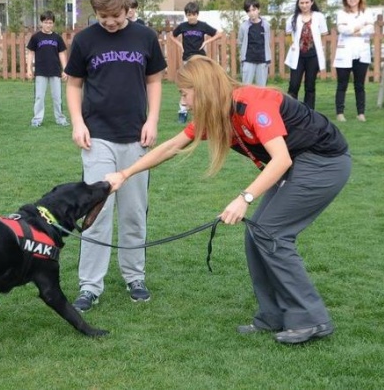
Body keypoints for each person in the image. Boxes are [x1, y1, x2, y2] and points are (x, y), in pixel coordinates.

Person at [106, 55, 351, 344]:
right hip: (297, 164)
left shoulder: (252, 103)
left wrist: (244, 198)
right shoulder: (217, 115)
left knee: (272, 233)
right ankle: (272, 316)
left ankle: (311, 319)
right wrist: (125, 173)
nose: (184, 102)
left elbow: (281, 159)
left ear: (202, 88)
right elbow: (171, 146)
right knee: (258, 233)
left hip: (324, 162)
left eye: (185, 93)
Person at [65, 0, 166, 312]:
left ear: (128, 7)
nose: (109, 22)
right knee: (99, 211)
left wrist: (152, 120)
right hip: (98, 139)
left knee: (135, 213)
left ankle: (134, 276)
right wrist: (78, 123)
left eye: (116, 16)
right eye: (102, 16)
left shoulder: (146, 37)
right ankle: (90, 285)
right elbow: (74, 85)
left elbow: (154, 81)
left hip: (136, 137)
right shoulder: (84, 41)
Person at [173, 1, 222, 123]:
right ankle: (183, 113)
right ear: (186, 15)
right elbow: (172, 36)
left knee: (201, 86)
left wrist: (206, 42)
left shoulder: (203, 26)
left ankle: (203, 112)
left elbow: (218, 34)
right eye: (189, 15)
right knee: (186, 86)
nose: (191, 17)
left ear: (197, 14)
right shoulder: (183, 26)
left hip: (200, 59)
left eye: (194, 14)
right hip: (187, 59)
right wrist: (180, 45)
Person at [333, 0, 374, 122]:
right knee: (342, 84)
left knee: (359, 85)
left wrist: (360, 31)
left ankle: (361, 113)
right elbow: (342, 29)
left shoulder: (366, 12)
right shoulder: (341, 13)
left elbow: (370, 28)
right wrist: (357, 27)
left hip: (361, 53)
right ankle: (340, 113)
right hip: (345, 53)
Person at [284, 0, 328, 110]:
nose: (304, 5)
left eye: (307, 2)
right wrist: (292, 44)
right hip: (297, 57)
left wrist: (319, 47)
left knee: (310, 85)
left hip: (313, 56)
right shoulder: (292, 18)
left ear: (312, 2)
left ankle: (309, 113)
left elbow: (324, 34)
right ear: (298, 4)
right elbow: (288, 34)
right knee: (294, 85)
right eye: (301, 3)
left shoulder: (319, 17)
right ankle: (291, 110)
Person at [26, 10, 69, 127]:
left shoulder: (57, 38)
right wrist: (29, 69)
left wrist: (65, 69)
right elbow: (30, 53)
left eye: (50, 22)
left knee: (57, 97)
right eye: (45, 22)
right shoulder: (36, 37)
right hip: (41, 72)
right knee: (39, 97)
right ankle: (37, 119)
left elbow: (62, 54)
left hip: (55, 71)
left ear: (53, 24)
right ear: (41, 23)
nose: (48, 25)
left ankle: (60, 118)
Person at [238, 0, 272, 86]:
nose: (252, 13)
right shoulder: (243, 27)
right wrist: (242, 56)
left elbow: (267, 41)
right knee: (246, 87)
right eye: (249, 11)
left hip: (262, 60)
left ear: (258, 9)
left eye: (254, 10)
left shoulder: (266, 25)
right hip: (248, 60)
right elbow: (240, 42)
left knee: (261, 88)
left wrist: (267, 58)